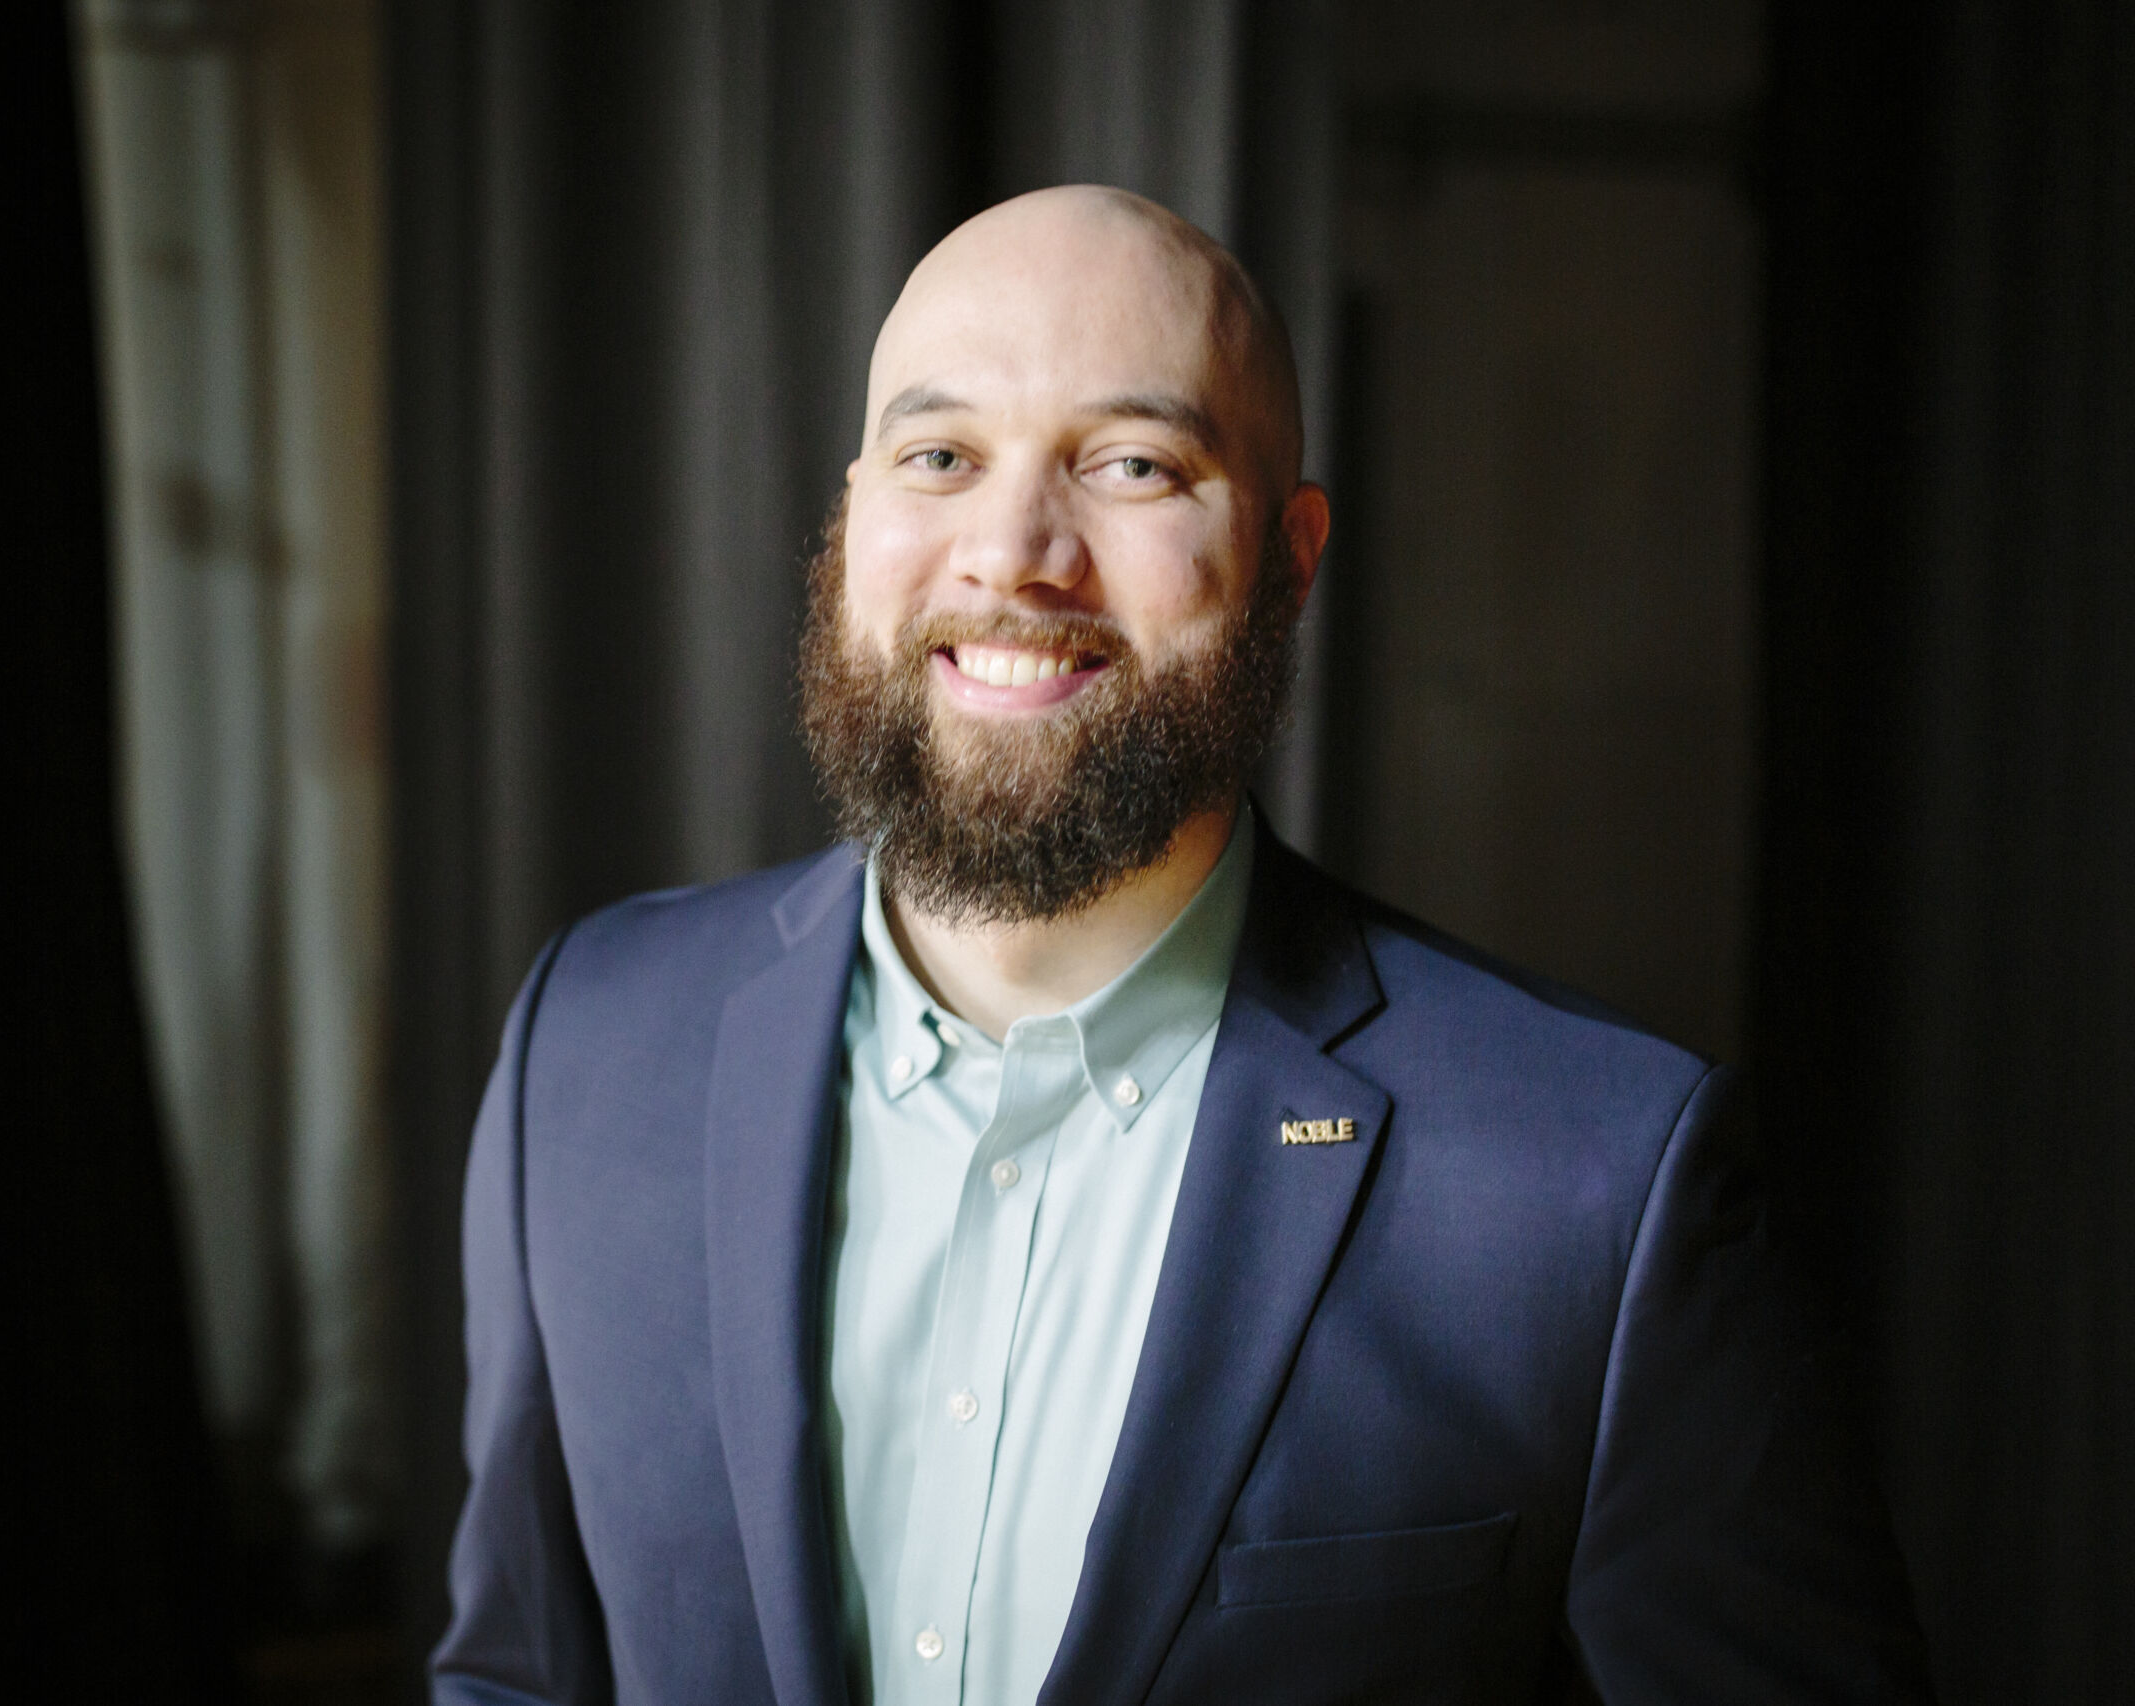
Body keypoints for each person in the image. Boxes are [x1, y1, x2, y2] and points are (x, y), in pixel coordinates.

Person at [432, 186, 1930, 1705]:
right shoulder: (590, 1046)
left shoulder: (1598, 1189)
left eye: (1132, 465)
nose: (1014, 552)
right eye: (939, 455)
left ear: (1291, 555)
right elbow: (514, 1676)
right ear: (854, 507)